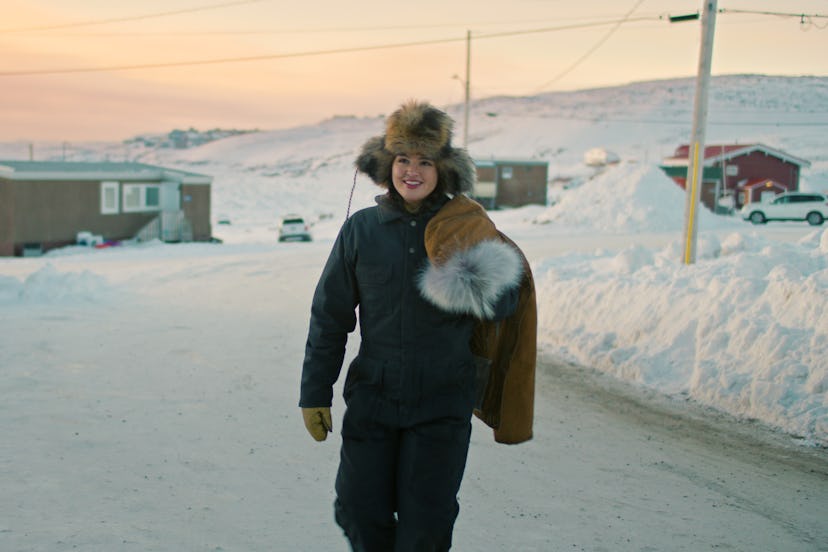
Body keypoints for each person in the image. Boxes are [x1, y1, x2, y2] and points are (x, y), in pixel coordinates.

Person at [299, 100, 535, 552]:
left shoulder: (465, 227)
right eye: (403, 159)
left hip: (442, 402)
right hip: (373, 398)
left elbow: (504, 305)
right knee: (357, 510)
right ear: (387, 164)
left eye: (425, 161)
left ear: (443, 169)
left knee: (426, 525)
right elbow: (330, 316)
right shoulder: (361, 230)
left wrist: (474, 268)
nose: (412, 171)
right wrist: (314, 392)